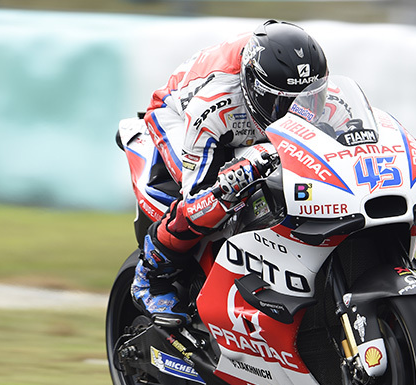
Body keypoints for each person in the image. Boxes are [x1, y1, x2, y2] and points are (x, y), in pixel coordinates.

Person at [131, 20, 329, 328]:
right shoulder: (214, 105)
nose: (296, 110)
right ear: (255, 87)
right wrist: (234, 179)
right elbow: (197, 199)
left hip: (241, 119)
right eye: (284, 102)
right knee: (210, 207)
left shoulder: (304, 84)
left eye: (305, 98)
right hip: (176, 116)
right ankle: (150, 277)